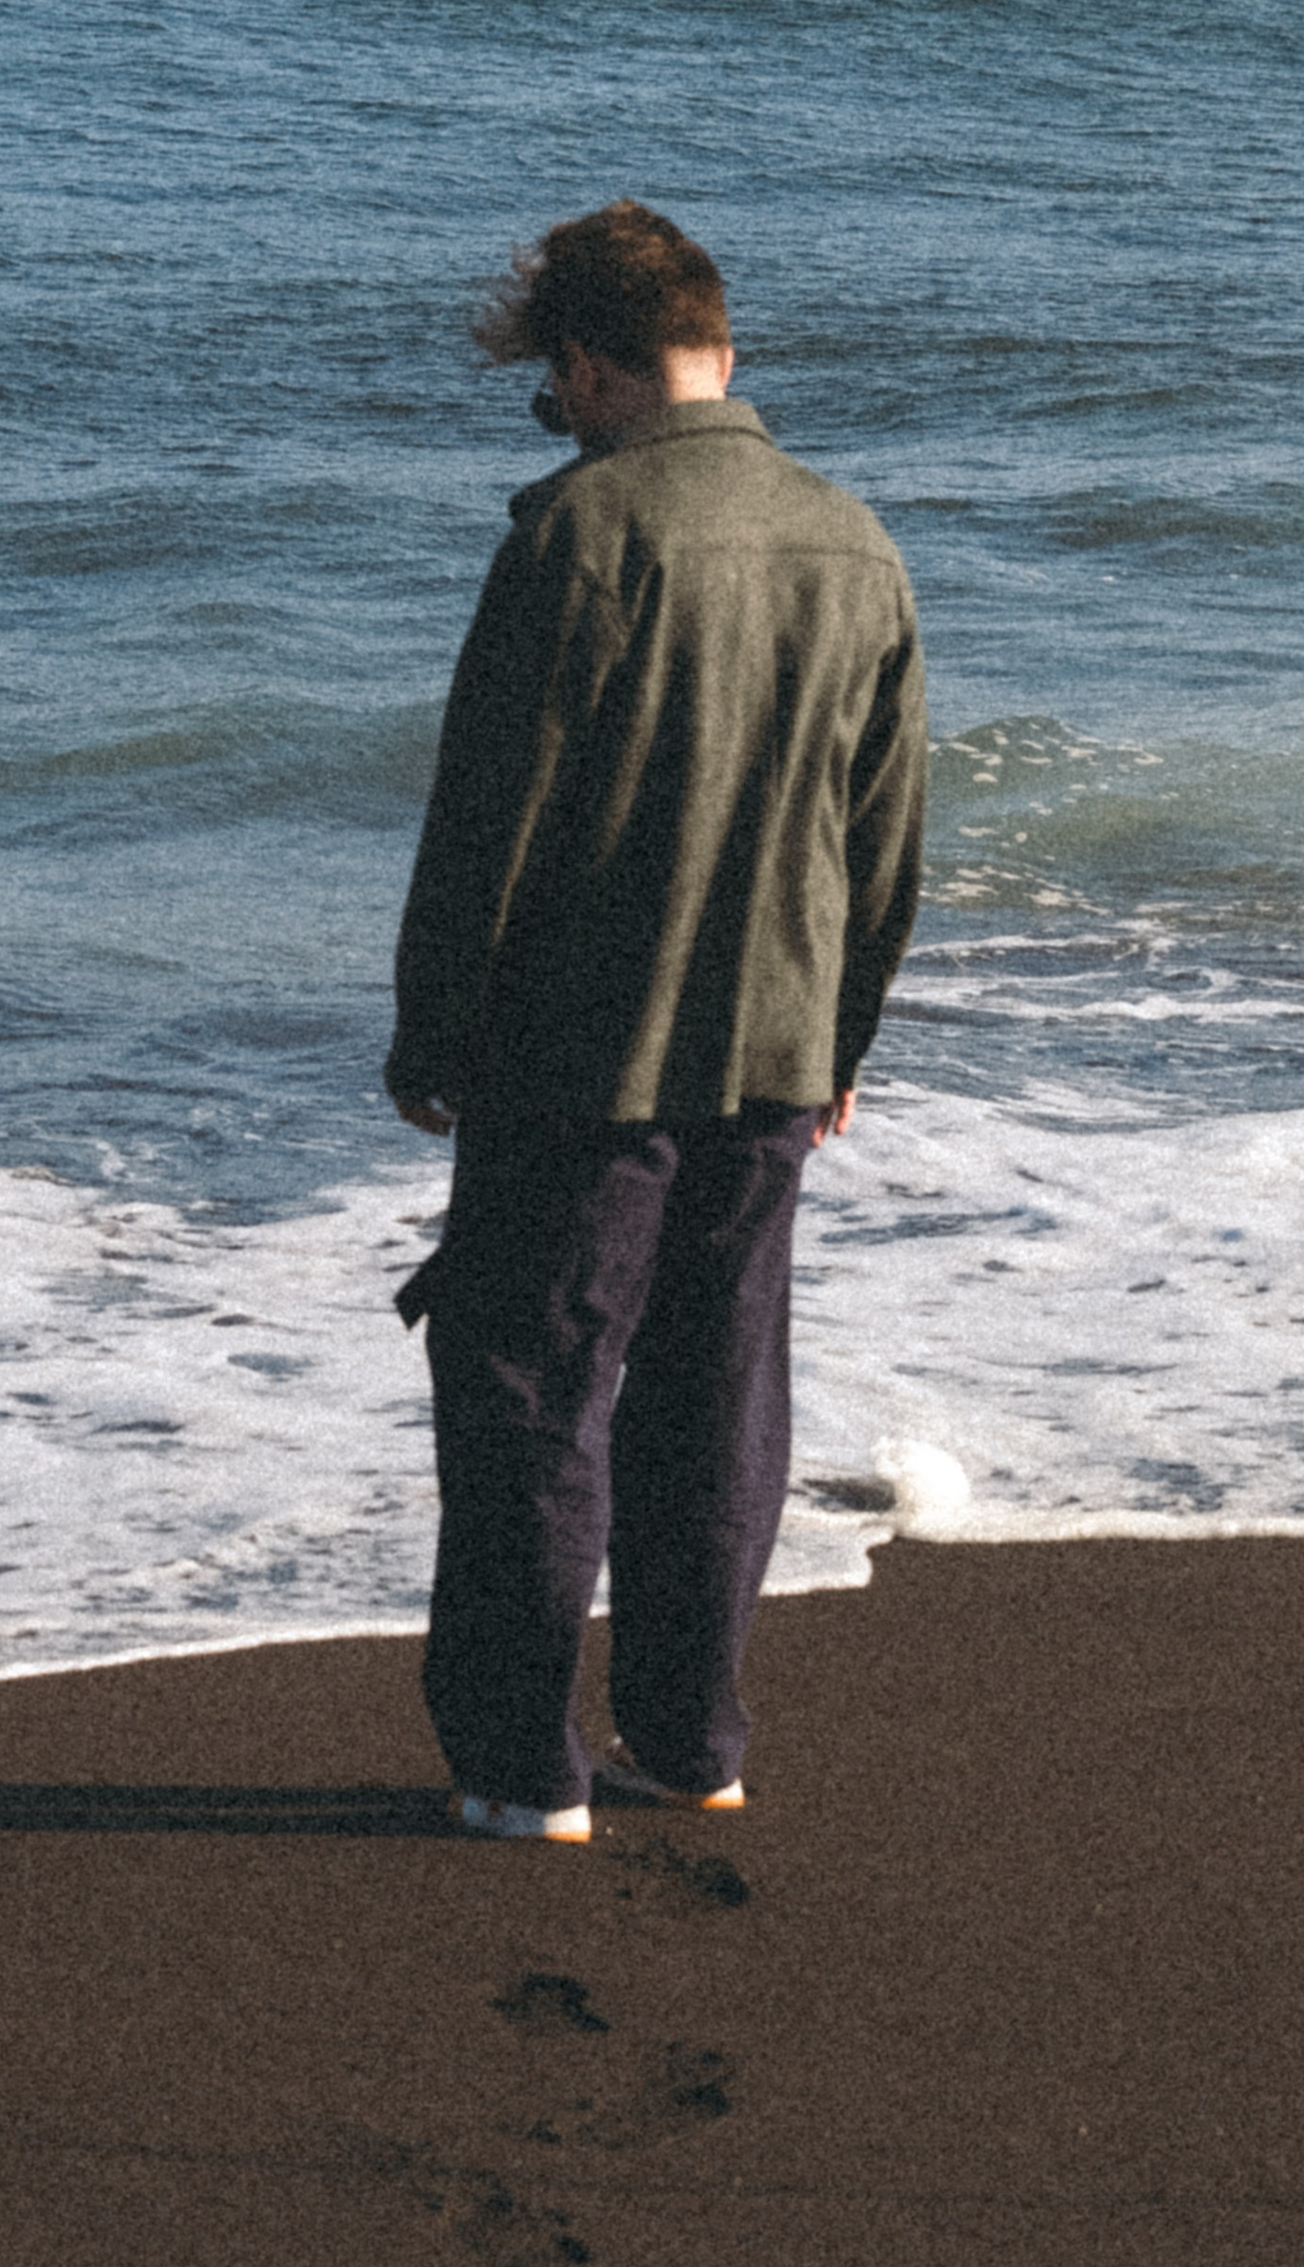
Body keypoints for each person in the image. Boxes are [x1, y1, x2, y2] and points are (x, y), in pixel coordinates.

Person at [387, 201, 928, 1842]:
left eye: (551, 386)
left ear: (585, 366)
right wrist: (843, 1044)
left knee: (534, 1399)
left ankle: (520, 1766)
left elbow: (488, 823)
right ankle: (696, 1745)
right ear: (724, 348)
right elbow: (887, 835)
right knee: (715, 1399)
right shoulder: (857, 542)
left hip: (579, 1058)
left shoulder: (575, 537)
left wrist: (433, 1037)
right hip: (774, 1051)